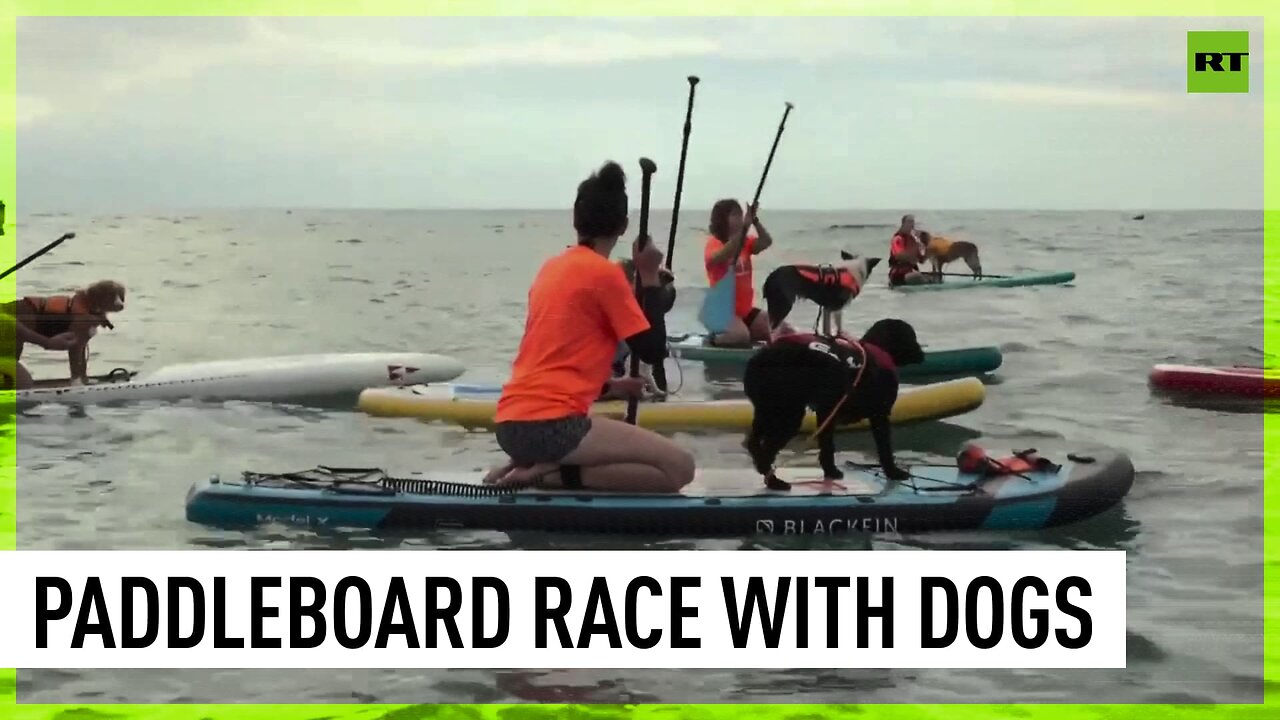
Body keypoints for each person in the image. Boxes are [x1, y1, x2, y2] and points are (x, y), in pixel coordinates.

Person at [484, 161, 696, 493]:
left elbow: (555, 363)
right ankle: (547, 474)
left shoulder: (551, 269)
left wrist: (614, 386)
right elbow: (653, 350)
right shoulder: (605, 274)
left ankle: (533, 463)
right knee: (679, 470)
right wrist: (651, 276)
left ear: (575, 218)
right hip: (555, 427)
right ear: (624, 226)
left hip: (510, 425)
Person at [0, 280, 125, 389]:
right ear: (98, 298)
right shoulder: (82, 318)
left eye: (120, 296)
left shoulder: (88, 314)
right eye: (113, 297)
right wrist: (77, 381)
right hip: (19, 317)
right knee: (15, 356)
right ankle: (76, 380)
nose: (119, 302)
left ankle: (82, 378)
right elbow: (75, 350)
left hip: (16, 319)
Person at [703, 199, 786, 346]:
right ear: (722, 219)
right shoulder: (714, 243)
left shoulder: (745, 242)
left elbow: (766, 241)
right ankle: (714, 339)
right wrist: (743, 230)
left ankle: (746, 333)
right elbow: (721, 256)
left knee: (781, 329)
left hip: (744, 311)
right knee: (741, 337)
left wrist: (754, 221)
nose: (740, 219)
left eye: (741, 215)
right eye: (734, 215)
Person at [886, 214, 938, 287]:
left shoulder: (914, 240)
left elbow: (921, 260)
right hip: (898, 274)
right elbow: (898, 256)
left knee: (934, 277)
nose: (912, 224)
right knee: (918, 277)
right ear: (903, 224)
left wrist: (927, 249)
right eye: (909, 221)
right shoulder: (897, 239)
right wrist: (912, 256)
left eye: (913, 222)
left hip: (911, 271)